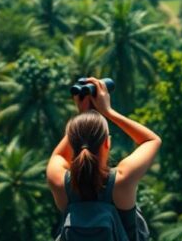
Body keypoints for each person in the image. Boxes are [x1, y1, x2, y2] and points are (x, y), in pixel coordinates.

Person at [47, 77, 161, 239]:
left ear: (72, 142)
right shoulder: (122, 180)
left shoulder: (60, 182)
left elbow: (58, 155)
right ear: (107, 142)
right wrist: (108, 111)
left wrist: (83, 115)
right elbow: (152, 140)